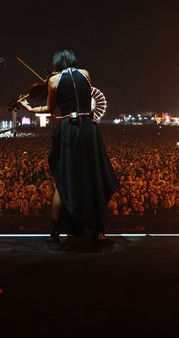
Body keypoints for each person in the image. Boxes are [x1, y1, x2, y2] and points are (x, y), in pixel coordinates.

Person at [21, 49, 120, 244]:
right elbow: (87, 101)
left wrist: (30, 108)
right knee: (92, 176)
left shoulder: (53, 80)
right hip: (89, 129)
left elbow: (50, 109)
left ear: (57, 62)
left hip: (68, 129)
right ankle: (97, 229)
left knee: (63, 178)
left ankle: (56, 231)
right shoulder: (85, 73)